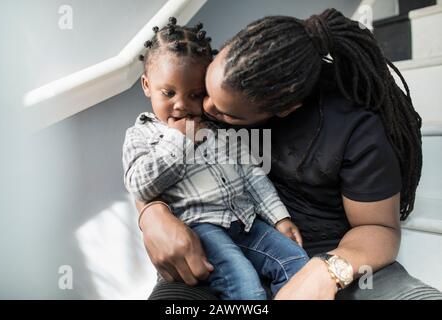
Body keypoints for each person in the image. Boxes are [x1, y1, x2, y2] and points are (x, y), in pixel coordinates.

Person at [137, 9, 442, 299]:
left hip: (331, 253)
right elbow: (148, 160)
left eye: (226, 113)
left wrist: (327, 272)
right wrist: (152, 214)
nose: (204, 110)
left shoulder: (354, 127)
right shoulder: (222, 82)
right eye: (204, 92)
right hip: (215, 246)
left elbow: (378, 228)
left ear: (284, 109)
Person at [123, 18, 309, 300]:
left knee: (296, 261)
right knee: (245, 285)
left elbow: (252, 175)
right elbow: (140, 185)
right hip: (202, 231)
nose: (182, 104)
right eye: (168, 93)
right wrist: (180, 138)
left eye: (195, 94)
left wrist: (279, 218)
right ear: (147, 85)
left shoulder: (218, 130)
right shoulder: (142, 135)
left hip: (245, 221)